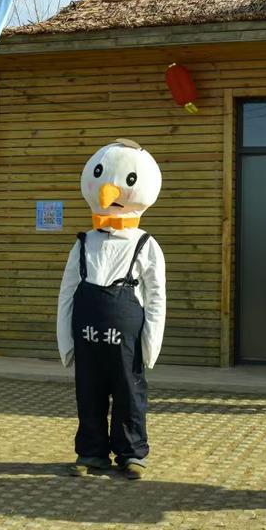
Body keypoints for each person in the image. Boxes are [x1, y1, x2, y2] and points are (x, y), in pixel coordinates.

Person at [58, 139, 166, 480]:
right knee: (88, 393)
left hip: (127, 339)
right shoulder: (83, 242)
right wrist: (65, 340)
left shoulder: (146, 244)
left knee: (129, 393)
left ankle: (131, 453)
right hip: (87, 335)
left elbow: (156, 296)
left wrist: (151, 343)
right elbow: (67, 292)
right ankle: (91, 452)